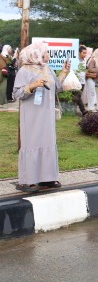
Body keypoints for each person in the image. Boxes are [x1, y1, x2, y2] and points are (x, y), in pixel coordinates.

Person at [12, 43, 70, 193]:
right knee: (31, 143)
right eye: (46, 52)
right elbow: (16, 94)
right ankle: (27, 180)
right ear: (36, 54)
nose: (49, 55)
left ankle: (47, 178)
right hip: (32, 116)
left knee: (48, 142)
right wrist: (32, 86)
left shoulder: (47, 68)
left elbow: (56, 88)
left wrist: (64, 73)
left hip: (47, 115)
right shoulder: (24, 70)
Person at [82, 48, 98, 112]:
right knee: (91, 93)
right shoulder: (93, 60)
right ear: (97, 52)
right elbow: (90, 69)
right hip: (91, 78)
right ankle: (91, 107)